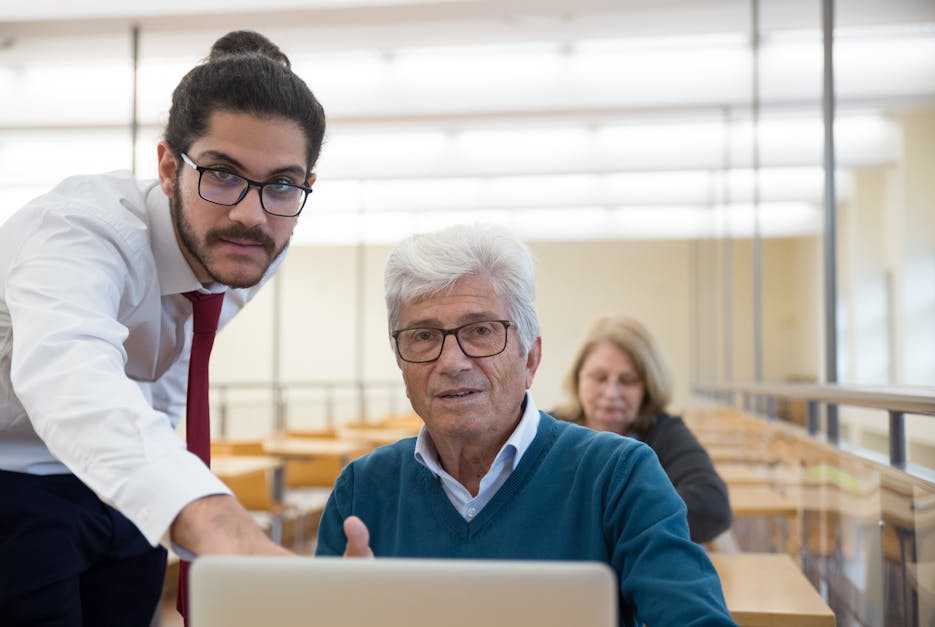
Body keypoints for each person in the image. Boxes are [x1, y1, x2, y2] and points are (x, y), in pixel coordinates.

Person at [0, 31, 325, 626]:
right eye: (222, 174)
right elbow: (69, 373)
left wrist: (172, 480)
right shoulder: (79, 230)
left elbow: (175, 368)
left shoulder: (254, 248)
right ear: (169, 167)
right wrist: (218, 521)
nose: (249, 215)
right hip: (11, 473)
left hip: (112, 479)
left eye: (281, 184)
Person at [315, 223, 735, 627]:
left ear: (530, 359)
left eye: (480, 330)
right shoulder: (361, 491)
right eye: (423, 336)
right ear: (401, 363)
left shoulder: (619, 476)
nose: (451, 361)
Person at [553, 316, 732, 544]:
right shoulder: (548, 431)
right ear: (578, 378)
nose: (611, 394)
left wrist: (603, 527)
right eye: (599, 378)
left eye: (627, 381)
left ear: (647, 387)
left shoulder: (665, 432)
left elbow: (711, 506)